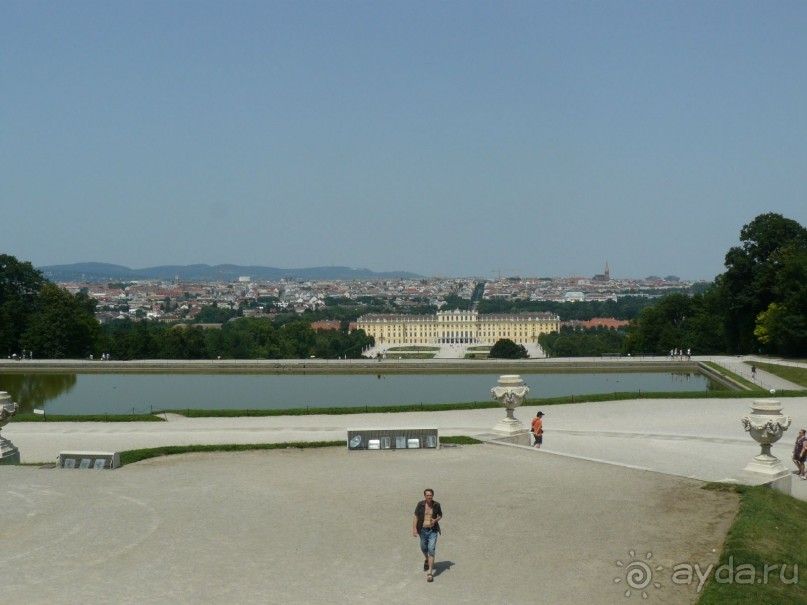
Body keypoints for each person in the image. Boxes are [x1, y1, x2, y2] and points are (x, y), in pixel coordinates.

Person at [412, 488, 443, 582]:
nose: (429, 497)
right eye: (427, 495)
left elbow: (440, 515)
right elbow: (416, 516)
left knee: (431, 549)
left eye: (430, 495)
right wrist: (414, 529)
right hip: (422, 530)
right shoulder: (420, 504)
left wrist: (435, 520)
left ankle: (430, 573)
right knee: (423, 547)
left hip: (433, 530)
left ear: (432, 495)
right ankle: (427, 559)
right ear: (425, 496)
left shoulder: (436, 505)